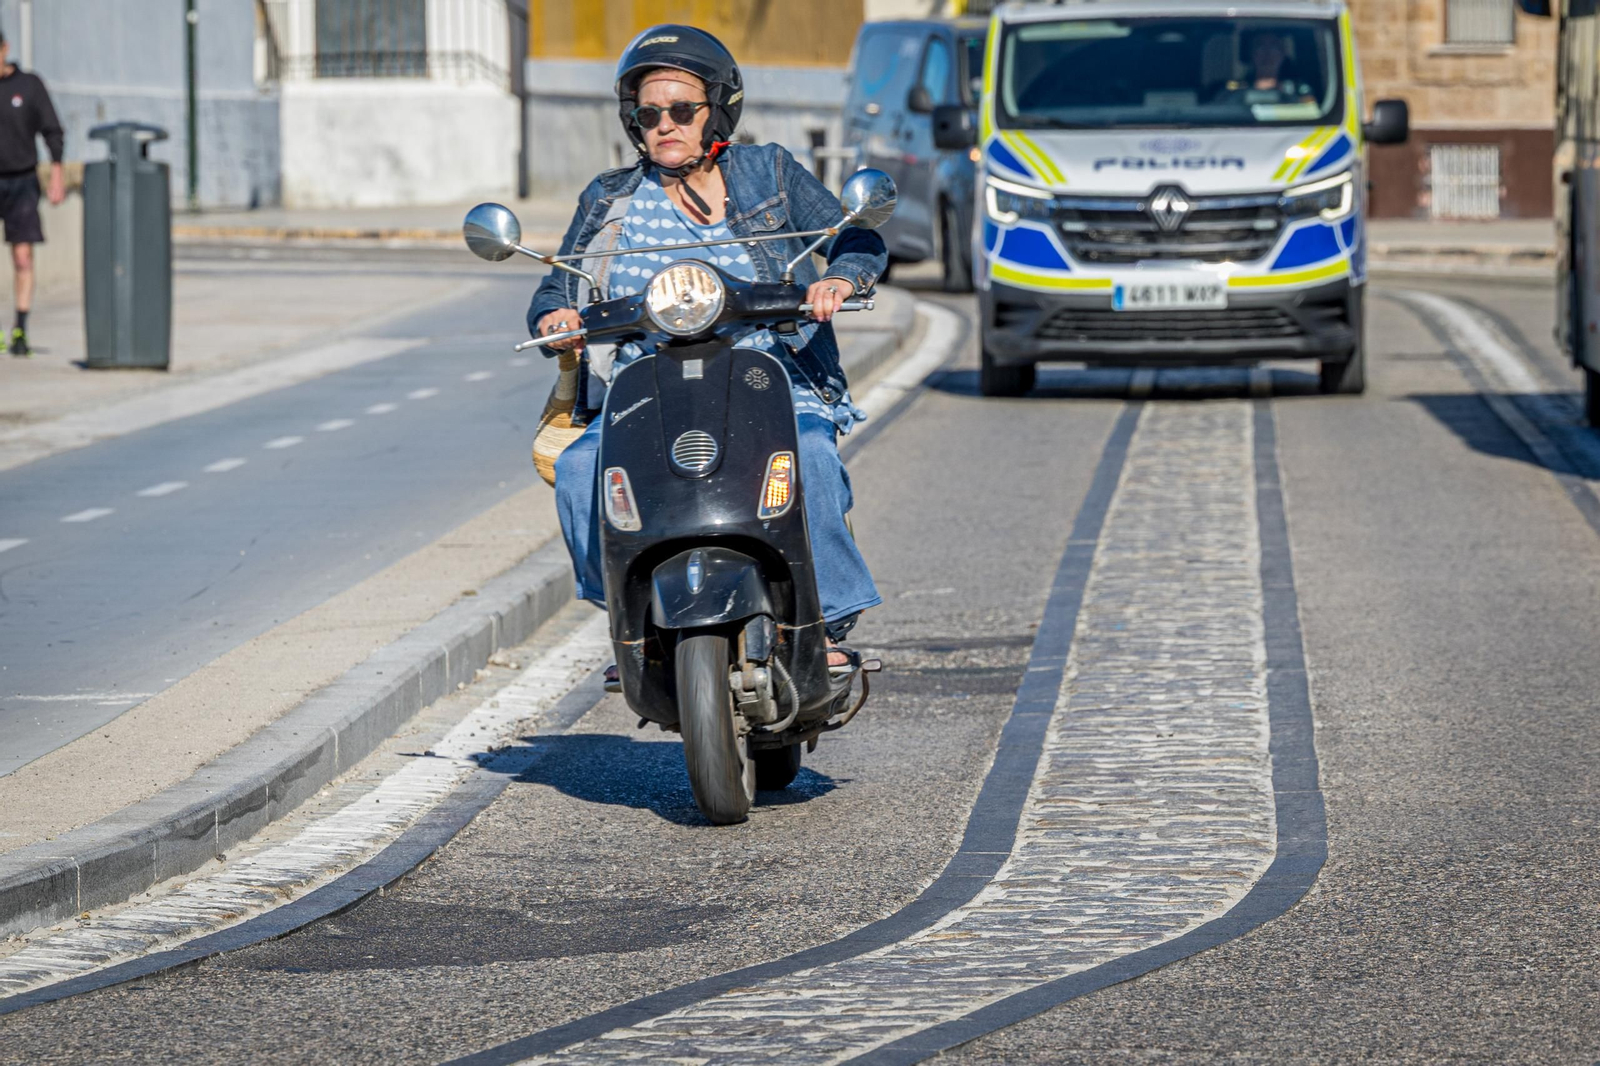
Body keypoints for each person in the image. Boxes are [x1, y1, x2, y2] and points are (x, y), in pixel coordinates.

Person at [528, 25, 886, 674]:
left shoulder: (768, 171)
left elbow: (854, 238)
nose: (664, 125)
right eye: (648, 113)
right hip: (647, 385)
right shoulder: (609, 197)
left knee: (810, 457)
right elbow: (559, 281)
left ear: (717, 110)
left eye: (682, 111)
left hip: (769, 374)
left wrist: (839, 279)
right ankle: (632, 621)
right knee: (582, 472)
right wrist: (557, 312)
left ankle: (826, 620)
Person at [0, 29, 63, 357]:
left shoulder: (29, 85)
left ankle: (20, 328)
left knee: (22, 256)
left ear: (5, 49)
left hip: (22, 180)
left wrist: (57, 173)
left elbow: (52, 129)